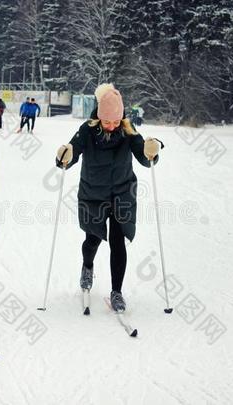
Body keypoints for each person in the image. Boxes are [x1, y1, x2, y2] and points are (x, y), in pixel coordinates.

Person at [55, 84, 161, 312]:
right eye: (107, 122)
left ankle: (117, 292)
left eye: (116, 121)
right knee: (92, 239)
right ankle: (87, 267)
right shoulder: (87, 130)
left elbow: (144, 155)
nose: (112, 126)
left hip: (122, 193)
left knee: (117, 242)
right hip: (93, 193)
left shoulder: (128, 130)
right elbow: (72, 150)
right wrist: (66, 156)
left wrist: (151, 151)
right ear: (99, 117)